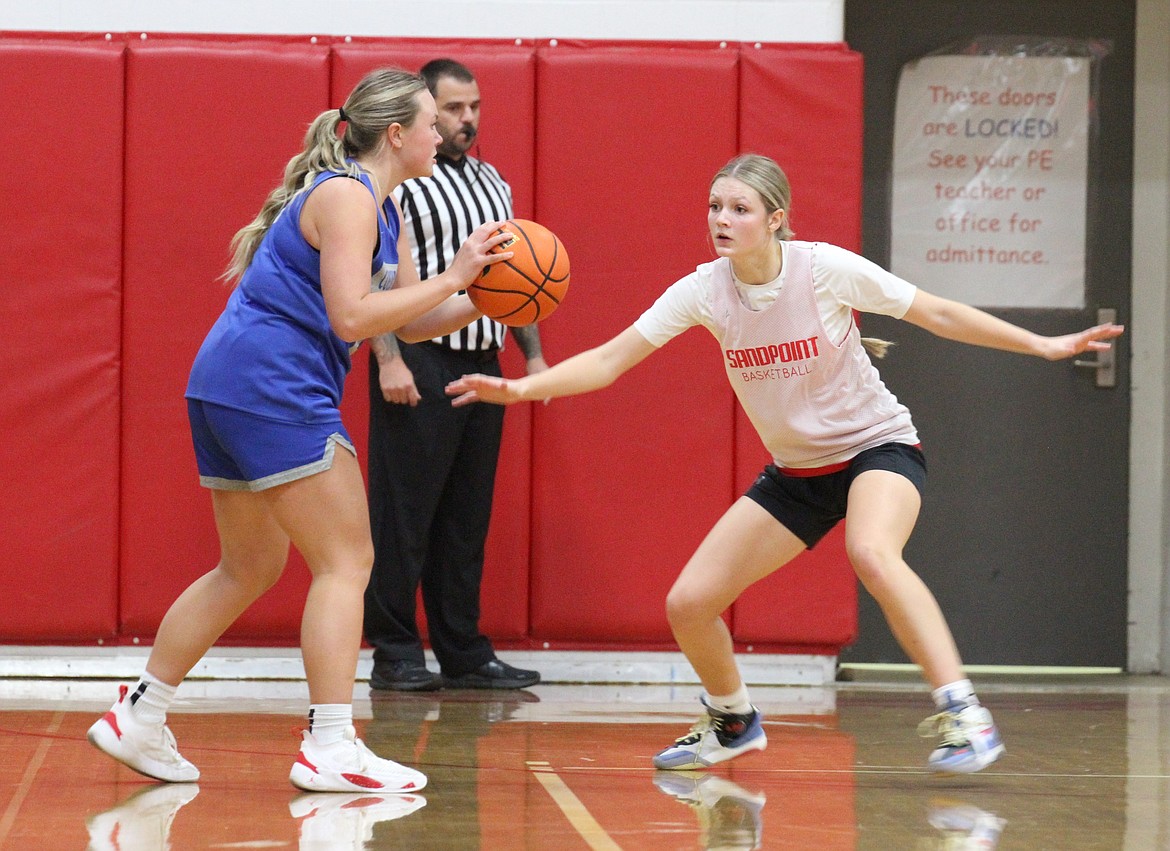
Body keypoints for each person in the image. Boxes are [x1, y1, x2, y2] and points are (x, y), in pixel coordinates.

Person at [446, 153, 1125, 774]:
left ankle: (964, 714)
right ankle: (733, 719)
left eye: (739, 208)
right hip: (798, 472)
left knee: (872, 552)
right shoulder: (704, 290)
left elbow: (938, 312)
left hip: (877, 449)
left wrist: (1042, 344)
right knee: (688, 603)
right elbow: (611, 359)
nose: (721, 219)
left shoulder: (824, 268)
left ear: (776, 220)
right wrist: (521, 387)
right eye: (714, 206)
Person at [86, 67, 515, 792]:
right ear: (400, 134)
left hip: (229, 383)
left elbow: (405, 319)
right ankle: (330, 743)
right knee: (349, 560)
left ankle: (140, 714)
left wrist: (482, 295)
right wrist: (453, 275)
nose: (444, 132)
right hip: (271, 383)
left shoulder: (384, 209)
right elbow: (351, 317)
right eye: (430, 122)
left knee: (247, 567)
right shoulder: (347, 195)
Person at [364, 58, 545, 693]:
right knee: (403, 513)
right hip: (417, 357)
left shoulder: (494, 180)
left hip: (483, 362)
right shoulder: (401, 182)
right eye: (453, 109)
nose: (466, 119)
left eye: (474, 107)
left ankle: (463, 651)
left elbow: (515, 278)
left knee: (467, 518)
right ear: (425, 112)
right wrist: (388, 358)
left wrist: (537, 361)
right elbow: (375, 276)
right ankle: (394, 653)